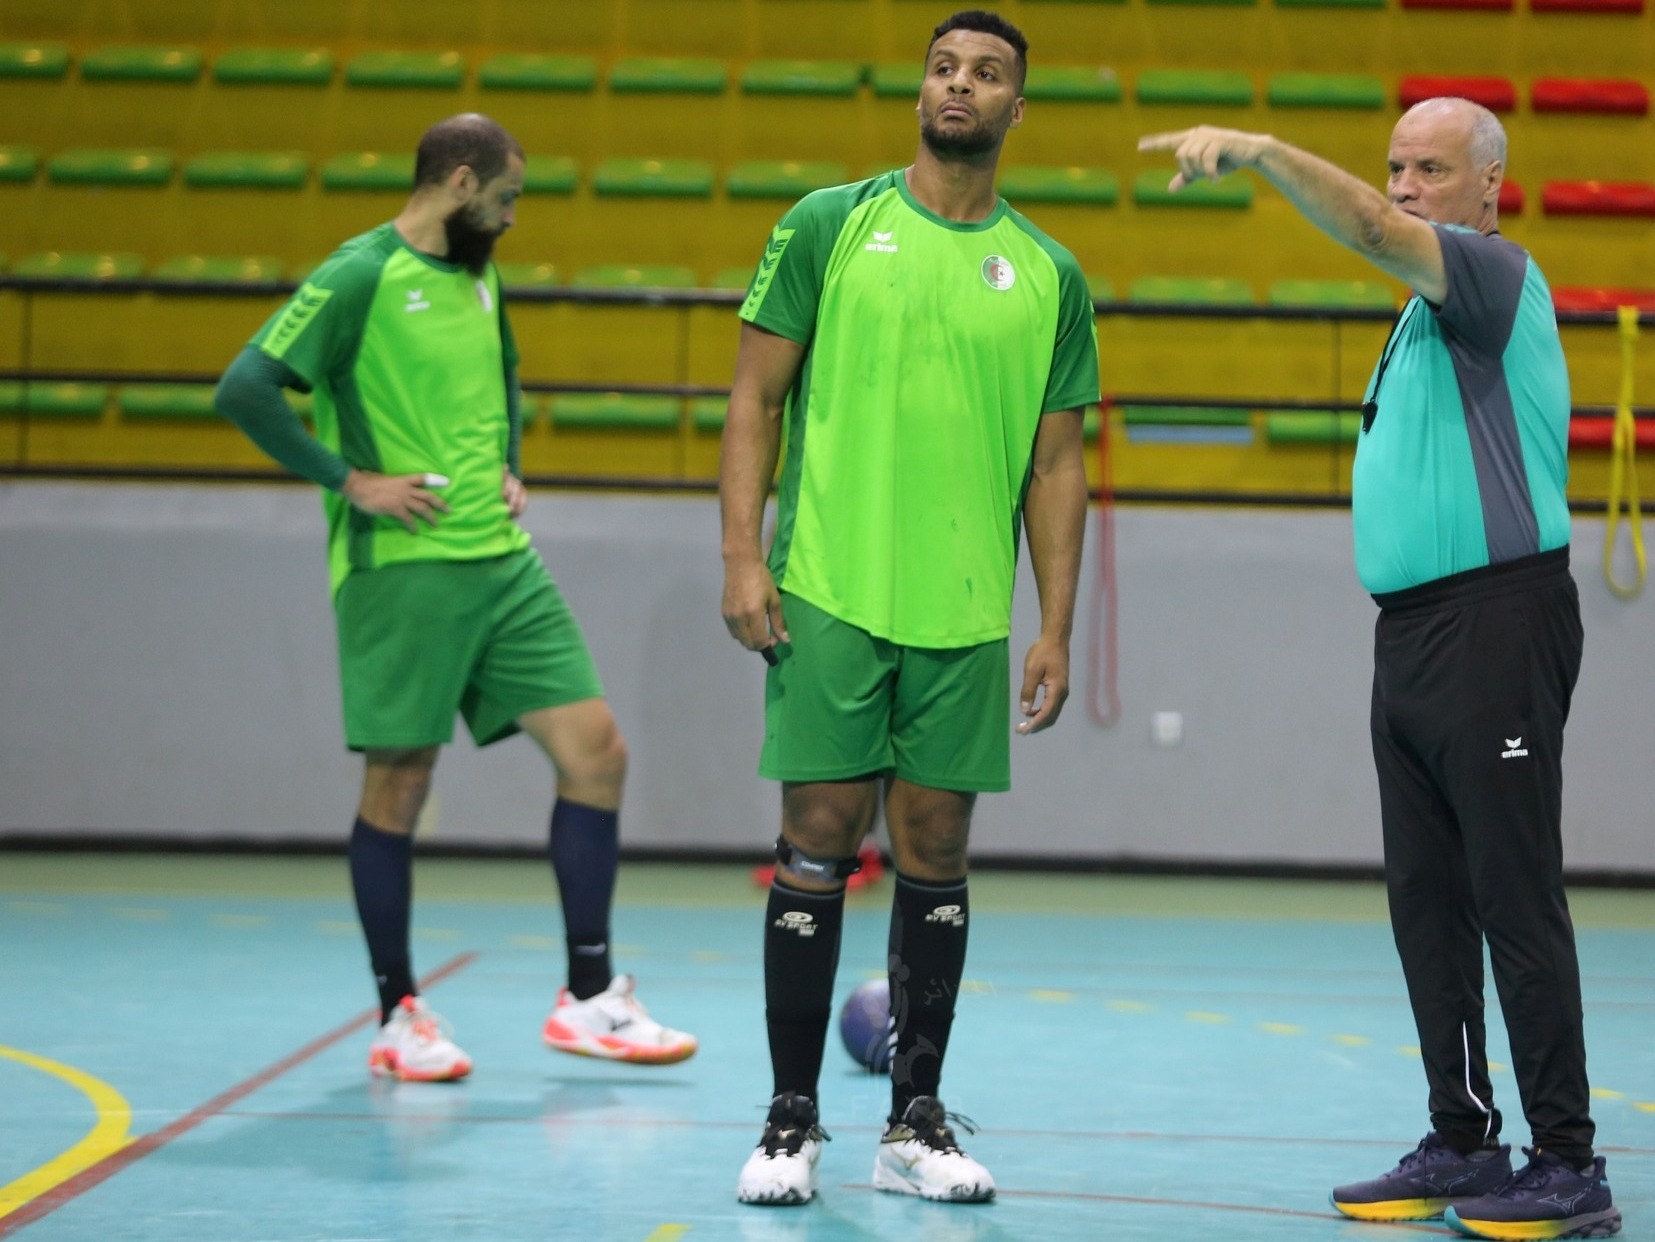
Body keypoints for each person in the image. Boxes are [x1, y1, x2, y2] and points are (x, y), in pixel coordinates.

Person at [1139, 101, 1620, 1240]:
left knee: (1512, 896)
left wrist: (1258, 151)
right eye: (1395, 166)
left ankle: (1567, 1162)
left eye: (1430, 169)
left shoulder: (1491, 275)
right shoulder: (1417, 321)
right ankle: (1461, 1140)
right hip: (1410, 634)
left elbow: (1357, 227)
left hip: (1493, 623)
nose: (1403, 186)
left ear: (1486, 187)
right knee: (1427, 906)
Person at [213, 113, 696, 1082]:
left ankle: (591, 998)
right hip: (406, 566)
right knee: (400, 785)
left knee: (596, 753)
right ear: (462, 180)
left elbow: (505, 369)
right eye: (508, 197)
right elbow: (245, 387)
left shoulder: (479, 274)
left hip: (501, 561)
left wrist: (513, 465)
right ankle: (398, 1017)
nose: (514, 219)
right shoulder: (358, 275)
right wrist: (348, 480)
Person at [720, 10, 1099, 1207]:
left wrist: (1052, 624)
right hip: (829, 590)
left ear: (1014, 109)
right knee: (817, 840)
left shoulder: (1048, 274)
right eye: (943, 67)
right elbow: (753, 401)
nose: (959, 86)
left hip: (962, 614)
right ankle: (789, 1123)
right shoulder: (830, 224)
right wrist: (742, 556)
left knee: (935, 852)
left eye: (986, 74)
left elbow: (1055, 465)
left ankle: (912, 1123)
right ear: (920, 90)